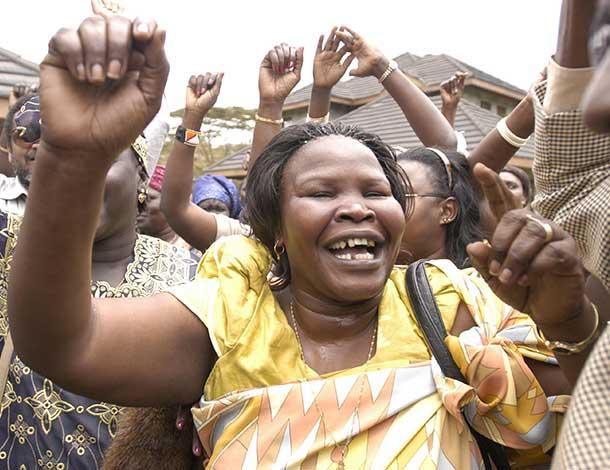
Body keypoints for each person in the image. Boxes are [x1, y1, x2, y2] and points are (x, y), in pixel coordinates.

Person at [9, 16, 604, 468]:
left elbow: (581, 420)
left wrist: (570, 319)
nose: (355, 207)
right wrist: (72, 157)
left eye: (376, 191)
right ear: (275, 230)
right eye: (321, 193)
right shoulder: (232, 314)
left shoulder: (452, 305)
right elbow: (63, 343)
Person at [0, 134, 198, 468]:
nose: (79, 176)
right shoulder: (12, 251)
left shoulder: (191, 276)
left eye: (102, 160)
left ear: (142, 177)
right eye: (63, 163)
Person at [396, 148, 484, 268]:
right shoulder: (377, 273)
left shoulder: (475, 277)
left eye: (400, 196)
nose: (390, 206)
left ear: (447, 211)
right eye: (380, 195)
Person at [0, 94, 40, 215]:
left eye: (52, 138)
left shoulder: (87, 208)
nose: (39, 146)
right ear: (10, 150)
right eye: (26, 135)